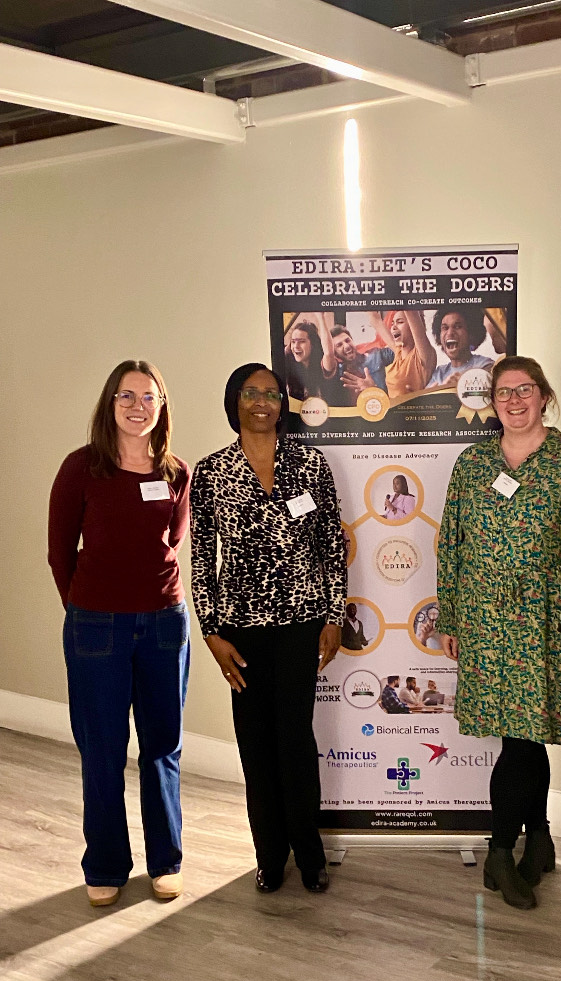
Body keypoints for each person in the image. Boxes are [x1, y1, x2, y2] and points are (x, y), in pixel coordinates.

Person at [437, 356, 561, 909]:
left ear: (543, 395)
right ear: (492, 400)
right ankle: (523, 846)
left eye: (524, 390)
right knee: (521, 736)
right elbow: (451, 545)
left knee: (529, 734)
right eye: (503, 392)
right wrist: (452, 617)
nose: (513, 401)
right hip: (486, 618)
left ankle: (507, 849)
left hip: (548, 620)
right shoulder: (472, 462)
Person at [190, 364, 347, 895]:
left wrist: (332, 614)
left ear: (284, 404)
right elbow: (201, 557)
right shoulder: (211, 472)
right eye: (251, 392)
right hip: (242, 633)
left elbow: (331, 545)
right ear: (234, 400)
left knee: (296, 741)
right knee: (255, 746)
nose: (262, 401)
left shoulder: (310, 463)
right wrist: (211, 632)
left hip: (302, 625)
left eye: (272, 394)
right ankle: (268, 855)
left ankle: (310, 854)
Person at [48, 360, 191, 907]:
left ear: (162, 406)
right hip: (96, 629)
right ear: (110, 404)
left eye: (148, 397)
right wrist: (85, 607)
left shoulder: (176, 472)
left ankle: (166, 861)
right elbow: (60, 552)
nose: (137, 407)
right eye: (126, 397)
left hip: (163, 624)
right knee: (102, 750)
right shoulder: (82, 468)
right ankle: (105, 862)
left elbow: (171, 545)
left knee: (163, 748)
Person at [427, 307, 494, 389]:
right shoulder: (439, 373)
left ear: (471, 334)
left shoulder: (485, 365)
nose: (450, 333)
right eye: (445, 328)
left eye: (457, 327)